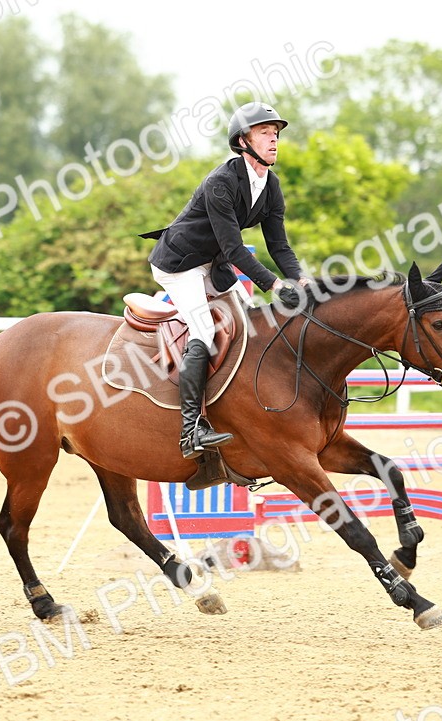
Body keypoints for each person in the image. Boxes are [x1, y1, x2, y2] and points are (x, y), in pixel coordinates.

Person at [140, 101, 309, 459]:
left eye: (276, 134)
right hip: (180, 264)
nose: (274, 140)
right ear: (243, 141)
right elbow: (234, 249)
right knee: (202, 330)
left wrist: (300, 278)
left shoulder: (270, 184)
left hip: (212, 264)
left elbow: (279, 245)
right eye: (265, 133)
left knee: (251, 325)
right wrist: (275, 286)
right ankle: (191, 429)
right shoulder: (221, 182)